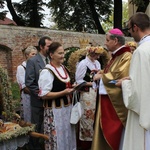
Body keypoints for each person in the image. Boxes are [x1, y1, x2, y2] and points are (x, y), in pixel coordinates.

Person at [91, 28, 132, 150]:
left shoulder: (126, 56)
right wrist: (102, 72)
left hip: (115, 104)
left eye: (107, 40)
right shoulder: (116, 56)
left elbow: (120, 76)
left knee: (115, 137)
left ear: (115, 41)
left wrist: (101, 77)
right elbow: (111, 72)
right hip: (107, 101)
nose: (105, 43)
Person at [116, 12, 150, 150]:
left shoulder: (141, 51)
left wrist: (123, 83)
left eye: (129, 30)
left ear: (135, 27)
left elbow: (136, 93)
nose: (130, 34)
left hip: (145, 112)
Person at [38, 42, 76, 150]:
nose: (62, 55)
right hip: (55, 111)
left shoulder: (64, 68)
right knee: (58, 137)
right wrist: (63, 93)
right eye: (59, 53)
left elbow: (65, 84)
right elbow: (44, 95)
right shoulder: (47, 71)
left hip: (67, 110)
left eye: (63, 53)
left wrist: (74, 87)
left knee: (67, 135)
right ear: (51, 55)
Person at [25, 36, 52, 150]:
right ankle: (33, 147)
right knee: (36, 126)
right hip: (38, 101)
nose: (51, 48)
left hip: (51, 100)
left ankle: (45, 145)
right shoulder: (32, 61)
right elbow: (29, 82)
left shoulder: (51, 60)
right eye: (48, 46)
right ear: (41, 47)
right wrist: (42, 95)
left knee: (47, 127)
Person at [75, 46, 103, 150]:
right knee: (87, 117)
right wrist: (92, 82)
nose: (98, 57)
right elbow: (78, 80)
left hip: (96, 92)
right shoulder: (83, 64)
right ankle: (85, 142)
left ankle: (94, 141)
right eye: (97, 55)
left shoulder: (97, 63)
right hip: (87, 93)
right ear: (91, 54)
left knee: (95, 116)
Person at [16, 46, 37, 122]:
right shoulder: (21, 68)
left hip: (36, 95)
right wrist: (36, 94)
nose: (35, 56)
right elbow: (23, 85)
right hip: (28, 95)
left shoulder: (36, 67)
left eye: (36, 54)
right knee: (28, 115)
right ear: (27, 55)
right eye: (33, 54)